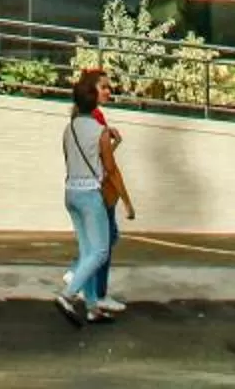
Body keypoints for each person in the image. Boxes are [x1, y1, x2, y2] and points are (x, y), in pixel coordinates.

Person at [54, 69, 120, 325]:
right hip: (91, 195)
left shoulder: (69, 128)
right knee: (100, 251)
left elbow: (71, 160)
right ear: (92, 97)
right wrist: (114, 143)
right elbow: (108, 167)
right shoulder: (100, 130)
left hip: (71, 192)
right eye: (104, 88)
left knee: (87, 251)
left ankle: (93, 308)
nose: (108, 91)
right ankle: (68, 295)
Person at [90, 114, 135, 319]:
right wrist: (127, 203)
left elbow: (101, 162)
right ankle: (97, 292)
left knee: (109, 238)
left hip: (101, 198)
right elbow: (110, 169)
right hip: (104, 198)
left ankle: (84, 279)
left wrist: (115, 144)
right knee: (104, 246)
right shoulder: (94, 124)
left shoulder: (83, 129)